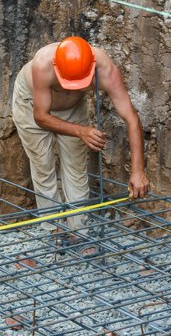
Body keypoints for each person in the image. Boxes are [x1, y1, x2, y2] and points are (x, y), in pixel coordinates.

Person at [12, 36, 150, 237]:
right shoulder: (43, 64)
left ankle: (79, 231)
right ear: (57, 68)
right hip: (31, 105)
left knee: (76, 168)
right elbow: (41, 117)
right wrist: (81, 131)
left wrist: (138, 171)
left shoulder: (105, 69)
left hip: (73, 108)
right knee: (43, 166)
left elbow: (131, 118)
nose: (74, 87)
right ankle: (53, 229)